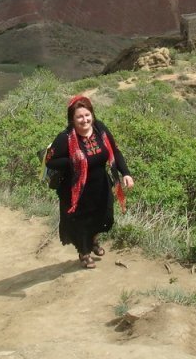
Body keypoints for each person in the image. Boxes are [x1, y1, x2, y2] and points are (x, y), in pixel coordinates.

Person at [46, 95, 134, 269]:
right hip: (76, 189)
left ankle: (93, 240)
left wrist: (126, 173)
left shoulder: (100, 129)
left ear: (92, 114)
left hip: (100, 184)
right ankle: (84, 252)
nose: (84, 120)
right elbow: (50, 161)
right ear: (72, 119)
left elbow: (114, 151)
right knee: (81, 222)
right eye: (79, 116)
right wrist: (72, 160)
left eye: (87, 115)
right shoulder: (65, 138)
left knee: (105, 216)